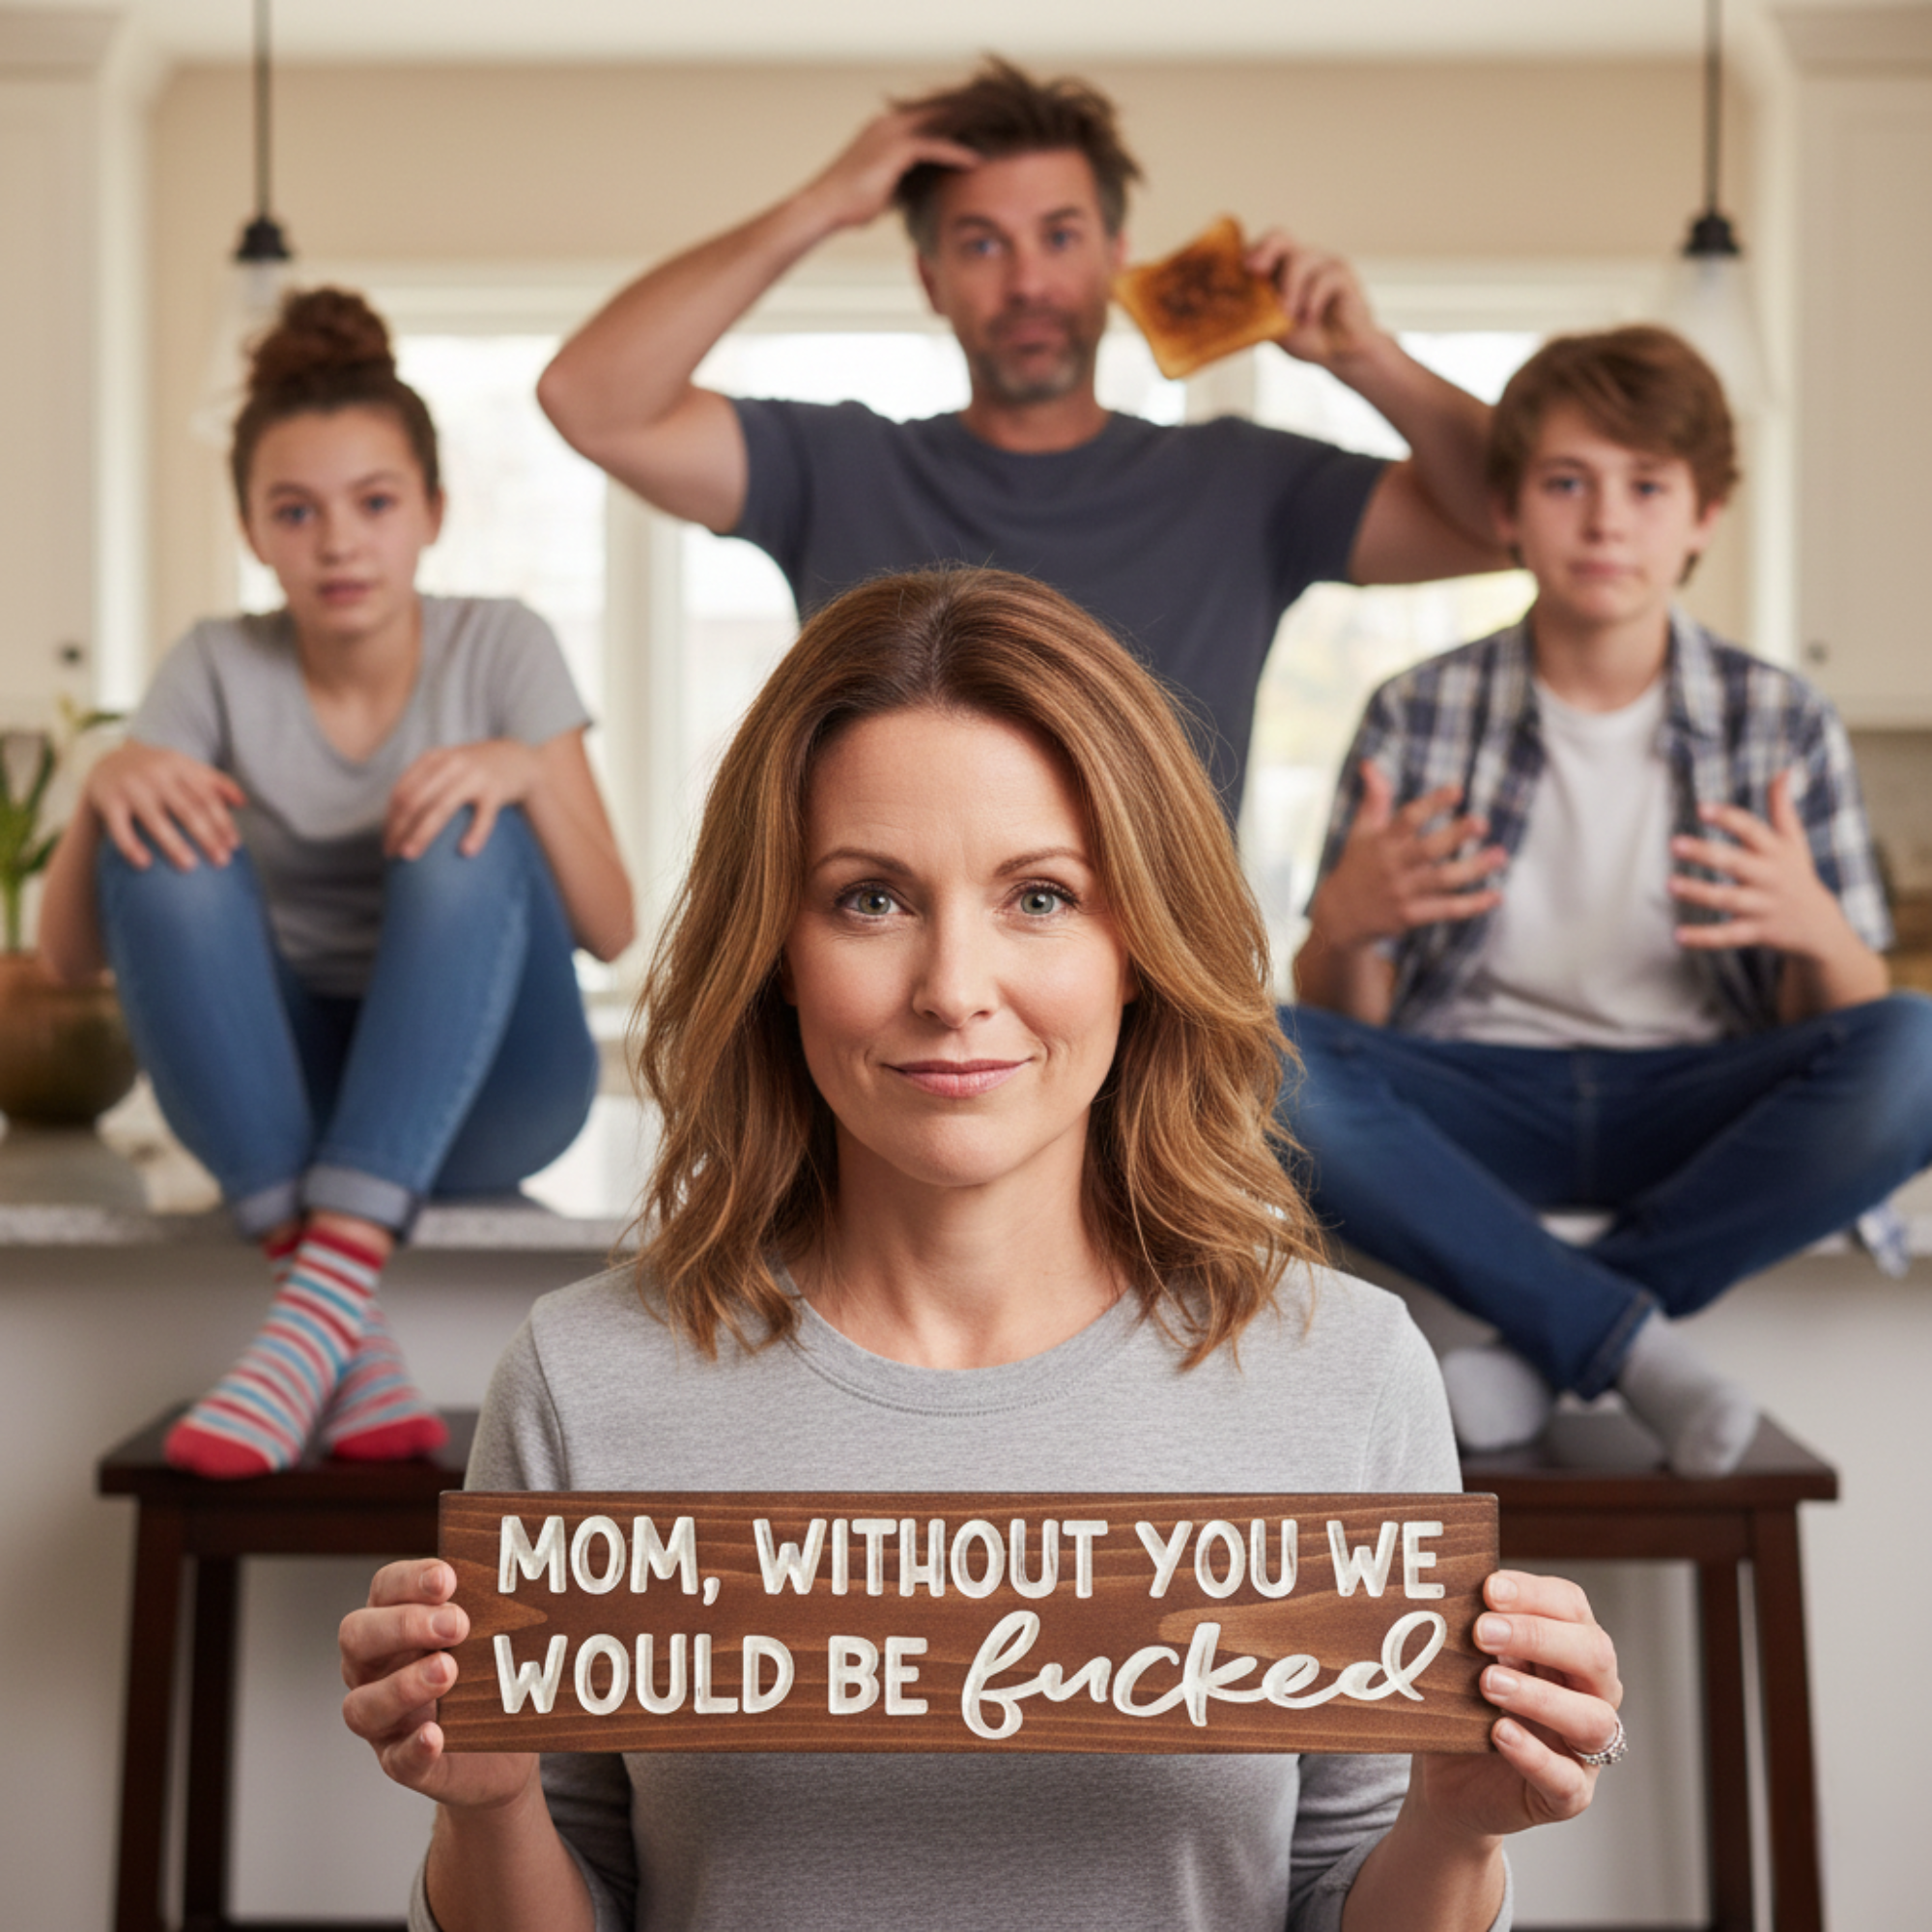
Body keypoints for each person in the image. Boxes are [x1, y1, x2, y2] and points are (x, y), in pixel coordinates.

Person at [339, 568, 1623, 1932]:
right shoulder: (585, 1378)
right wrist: (486, 1812)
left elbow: (1340, 1899)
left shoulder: (1346, 1373)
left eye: (1042, 898)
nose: (955, 990)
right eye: (871, 899)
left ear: (1139, 940)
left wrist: (1455, 1835)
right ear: (777, 944)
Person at [1281, 326, 1932, 1478]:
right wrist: (1342, 927)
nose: (1604, 520)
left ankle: (1548, 1347)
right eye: (1565, 482)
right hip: (1471, 1100)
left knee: (1916, 1046)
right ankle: (1635, 1343)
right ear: (1506, 509)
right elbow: (1348, 1036)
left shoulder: (1777, 719)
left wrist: (1818, 931)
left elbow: (1843, 1028)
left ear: (1701, 518)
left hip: (1687, 1102)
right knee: (1256, 1053)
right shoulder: (1413, 712)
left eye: (1645, 486)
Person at [536, 57, 1505, 811]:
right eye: (980, 243)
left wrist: (1365, 357)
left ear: (1116, 256)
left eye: (1059, 234)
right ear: (929, 279)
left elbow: (1506, 518)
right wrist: (822, 203)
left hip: (1164, 1010)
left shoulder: (1244, 482)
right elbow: (591, 398)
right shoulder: (837, 469)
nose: (1028, 281)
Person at [39, 288, 636, 1480]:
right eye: (295, 511)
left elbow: (612, 927)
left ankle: (309, 1311)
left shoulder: (500, 643)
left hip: (495, 1094)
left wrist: (521, 770)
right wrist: (107, 780)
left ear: (431, 513)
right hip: (293, 1105)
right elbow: (67, 963)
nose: (339, 542)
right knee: (155, 820)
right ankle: (338, 1328)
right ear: (255, 531)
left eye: (373, 503)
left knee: (459, 817)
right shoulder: (213, 662)